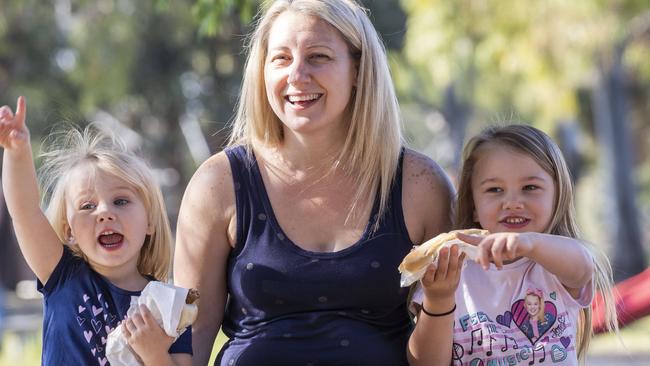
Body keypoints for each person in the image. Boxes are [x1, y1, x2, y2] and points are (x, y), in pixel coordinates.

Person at [173, 0, 454, 365]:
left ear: (358, 68)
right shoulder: (219, 183)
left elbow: (459, 333)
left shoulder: (421, 184)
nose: (297, 75)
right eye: (281, 59)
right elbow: (189, 339)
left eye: (318, 56)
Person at [0, 97, 192, 365]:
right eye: (88, 205)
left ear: (149, 221)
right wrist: (17, 152)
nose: (105, 212)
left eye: (121, 201)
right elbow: (25, 211)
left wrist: (155, 354)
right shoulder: (61, 274)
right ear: (69, 232)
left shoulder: (169, 305)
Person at [407, 124, 618, 366]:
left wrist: (528, 243)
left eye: (530, 188)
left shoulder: (557, 264)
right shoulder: (451, 270)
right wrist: (439, 300)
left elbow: (583, 266)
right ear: (474, 205)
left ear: (557, 196)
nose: (513, 202)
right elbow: (425, 363)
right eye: (495, 189)